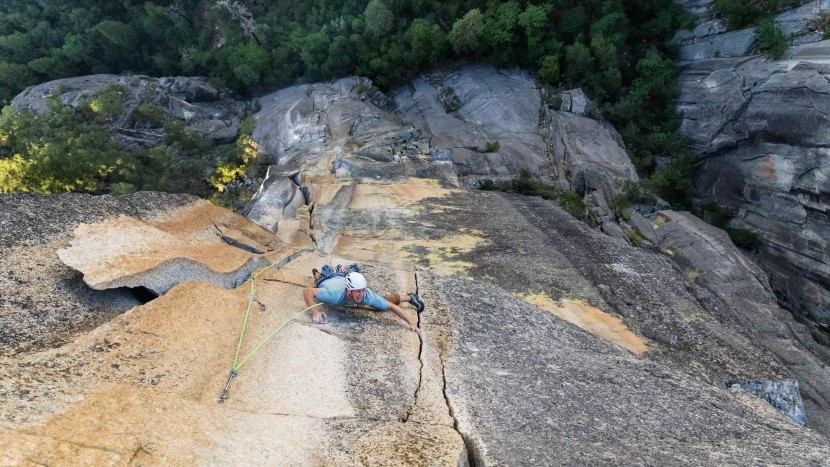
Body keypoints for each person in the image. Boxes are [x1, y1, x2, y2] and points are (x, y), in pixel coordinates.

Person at [302, 265, 424, 335]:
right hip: (326, 280)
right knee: (318, 279)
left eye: (363, 290)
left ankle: (409, 297)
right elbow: (308, 291)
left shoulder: (366, 294)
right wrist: (315, 311)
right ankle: (317, 273)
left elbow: (391, 306)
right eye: (358, 291)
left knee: (379, 302)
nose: (361, 294)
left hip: (342, 278)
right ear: (349, 291)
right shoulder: (334, 295)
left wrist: (411, 322)